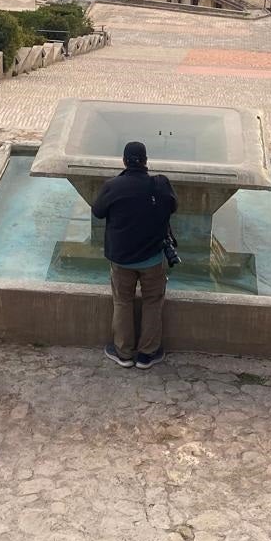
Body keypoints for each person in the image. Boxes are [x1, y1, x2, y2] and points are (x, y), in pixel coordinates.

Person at [92, 141, 177, 370]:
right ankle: (147, 355)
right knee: (152, 302)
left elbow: (98, 212)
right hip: (152, 258)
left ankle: (124, 353)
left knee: (122, 301)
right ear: (146, 161)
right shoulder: (160, 184)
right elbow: (173, 206)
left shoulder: (113, 186)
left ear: (123, 161)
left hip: (121, 259)